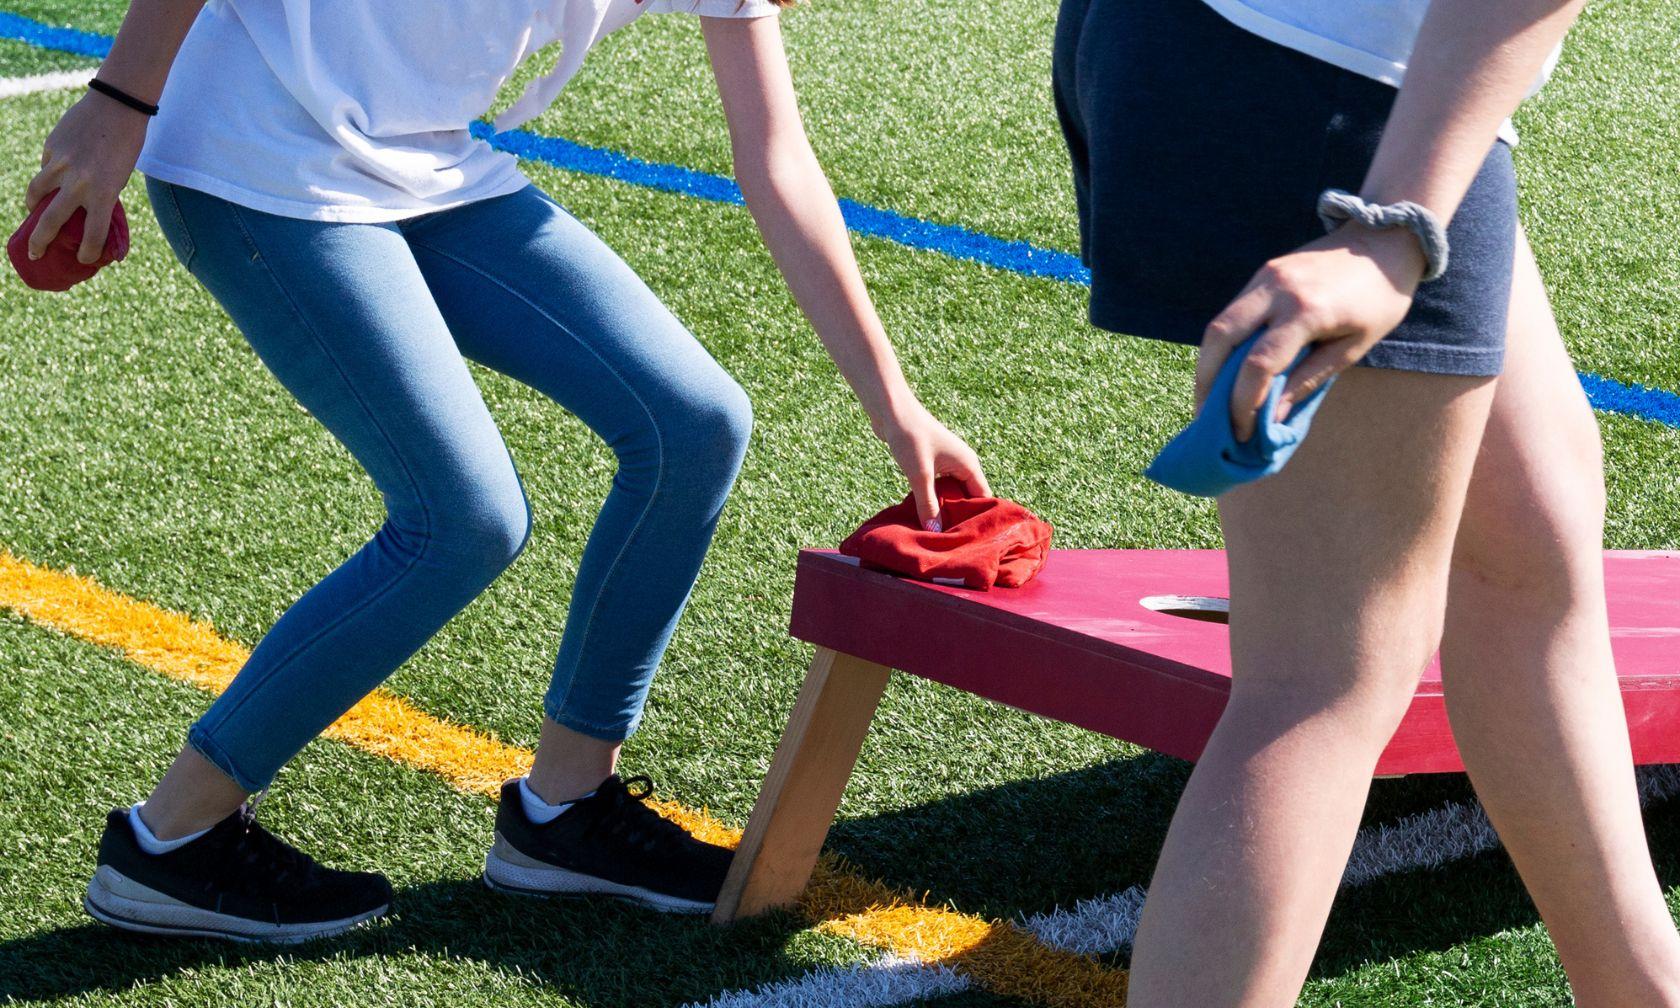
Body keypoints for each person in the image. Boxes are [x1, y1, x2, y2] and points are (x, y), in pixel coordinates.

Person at [27, 0, 988, 942]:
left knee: (694, 425)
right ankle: (170, 840)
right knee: (463, 519)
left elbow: (775, 156)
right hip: (260, 158)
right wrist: (119, 100)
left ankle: (564, 815)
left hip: (428, 162)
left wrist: (894, 403)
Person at [1052, 0, 1680, 1004]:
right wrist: (1395, 224)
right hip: (1338, 76)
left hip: (1225, 41)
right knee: (1325, 673)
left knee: (1530, 540)